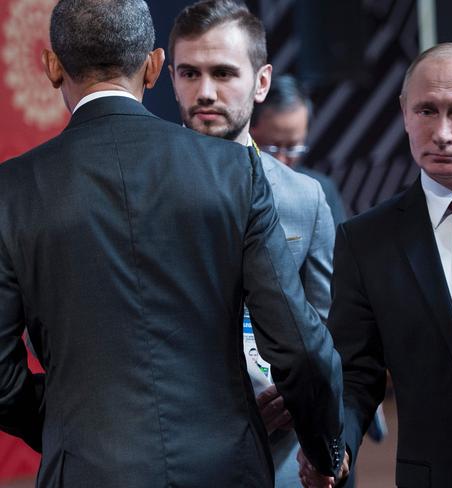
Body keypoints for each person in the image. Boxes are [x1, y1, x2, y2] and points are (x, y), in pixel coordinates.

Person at [0, 0, 344, 486]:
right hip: (229, 467)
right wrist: (327, 449)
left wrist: (68, 427)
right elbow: (301, 345)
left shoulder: (10, 191)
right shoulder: (234, 172)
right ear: (155, 66)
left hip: (85, 468)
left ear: (52, 67)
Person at [301, 42, 452, 488]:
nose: (442, 133)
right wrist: (337, 448)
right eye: (426, 111)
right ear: (405, 113)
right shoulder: (367, 241)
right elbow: (355, 373)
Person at [167, 1, 337, 486]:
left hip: (280, 459)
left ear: (261, 82)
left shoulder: (305, 198)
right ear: (169, 76)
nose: (205, 92)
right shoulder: (138, 191)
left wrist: (302, 405)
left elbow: (327, 332)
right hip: (172, 454)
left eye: (223, 73)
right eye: (189, 73)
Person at [251, 74, 349, 225]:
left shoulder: (321, 193)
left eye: (292, 148)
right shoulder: (228, 188)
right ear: (250, 134)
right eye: (271, 148)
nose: (281, 160)